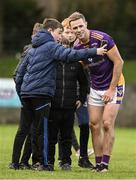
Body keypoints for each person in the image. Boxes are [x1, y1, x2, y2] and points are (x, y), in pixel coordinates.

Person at [14, 17, 107, 171]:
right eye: (59, 32)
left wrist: (21, 94)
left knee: (31, 130)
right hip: (45, 97)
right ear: (51, 31)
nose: (61, 36)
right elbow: (71, 55)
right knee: (43, 131)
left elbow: (19, 74)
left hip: (34, 96)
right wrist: (95, 51)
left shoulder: (33, 48)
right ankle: (45, 163)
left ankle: (21, 162)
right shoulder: (51, 47)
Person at [69, 12, 125, 172]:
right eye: (75, 28)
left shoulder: (102, 38)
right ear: (72, 30)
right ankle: (98, 164)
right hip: (96, 87)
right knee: (94, 125)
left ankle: (105, 164)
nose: (78, 29)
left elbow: (119, 62)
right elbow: (83, 67)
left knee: (107, 123)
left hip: (114, 85)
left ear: (86, 24)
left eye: (80, 26)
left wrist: (111, 89)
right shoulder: (77, 47)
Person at [48, 18, 93, 171]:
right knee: (55, 133)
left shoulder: (78, 59)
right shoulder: (53, 58)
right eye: (65, 32)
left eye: (70, 32)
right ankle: (53, 161)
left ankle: (73, 160)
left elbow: (85, 81)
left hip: (73, 101)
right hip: (56, 102)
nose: (69, 35)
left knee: (74, 130)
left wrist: (81, 98)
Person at [9, 23, 43, 170]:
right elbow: (17, 74)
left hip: (31, 94)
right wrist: (22, 95)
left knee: (30, 130)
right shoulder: (30, 50)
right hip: (30, 95)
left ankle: (22, 161)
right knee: (26, 130)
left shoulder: (36, 49)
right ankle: (17, 162)